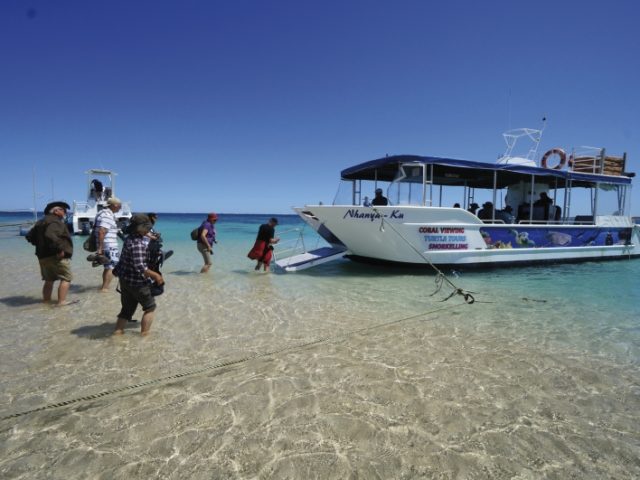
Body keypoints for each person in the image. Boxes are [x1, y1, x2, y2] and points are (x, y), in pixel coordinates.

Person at [113, 214, 163, 336]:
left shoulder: (129, 238)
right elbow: (141, 267)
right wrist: (156, 276)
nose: (148, 230)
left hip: (125, 280)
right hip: (137, 283)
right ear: (140, 227)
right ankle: (144, 336)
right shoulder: (138, 244)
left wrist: (150, 236)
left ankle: (118, 333)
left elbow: (127, 261)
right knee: (150, 308)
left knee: (126, 310)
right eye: (147, 228)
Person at [26, 201, 74, 306]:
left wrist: (40, 246)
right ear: (56, 211)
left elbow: (29, 237)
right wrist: (59, 250)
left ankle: (46, 302)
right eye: (63, 210)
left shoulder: (40, 222)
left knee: (49, 279)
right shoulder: (56, 221)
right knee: (67, 278)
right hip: (55, 256)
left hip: (42, 256)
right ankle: (62, 302)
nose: (66, 212)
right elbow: (50, 235)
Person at [95, 197, 122, 291]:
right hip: (109, 245)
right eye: (120, 206)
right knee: (111, 267)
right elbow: (102, 231)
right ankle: (105, 288)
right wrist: (100, 248)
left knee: (107, 267)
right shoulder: (107, 215)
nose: (120, 208)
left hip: (107, 245)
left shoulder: (103, 213)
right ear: (115, 205)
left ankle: (104, 287)